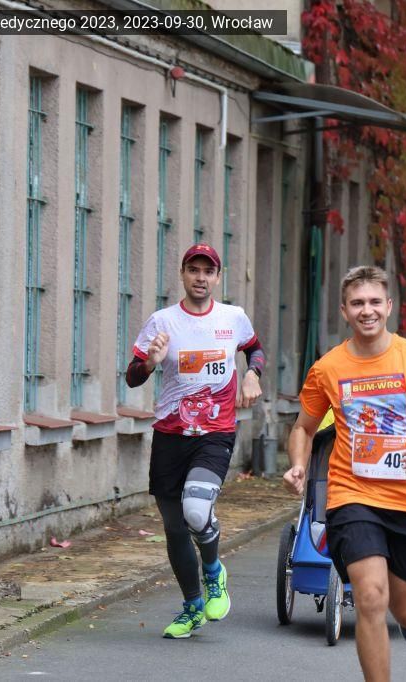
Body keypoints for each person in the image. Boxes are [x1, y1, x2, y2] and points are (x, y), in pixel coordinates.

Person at [283, 265, 406, 682]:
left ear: (388, 306)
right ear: (344, 311)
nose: (366, 310)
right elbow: (303, 428)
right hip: (352, 496)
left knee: (405, 609)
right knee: (369, 596)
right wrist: (298, 464)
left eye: (373, 302)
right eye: (356, 303)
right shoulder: (328, 368)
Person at [125, 242, 265, 639]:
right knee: (174, 527)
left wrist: (252, 374)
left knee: (196, 511)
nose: (200, 278)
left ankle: (215, 572)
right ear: (183, 274)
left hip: (214, 434)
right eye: (194, 270)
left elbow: (254, 350)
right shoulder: (162, 322)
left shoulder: (233, 317)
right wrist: (149, 363)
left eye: (208, 271)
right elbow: (132, 376)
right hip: (170, 435)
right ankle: (192, 608)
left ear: (218, 277)